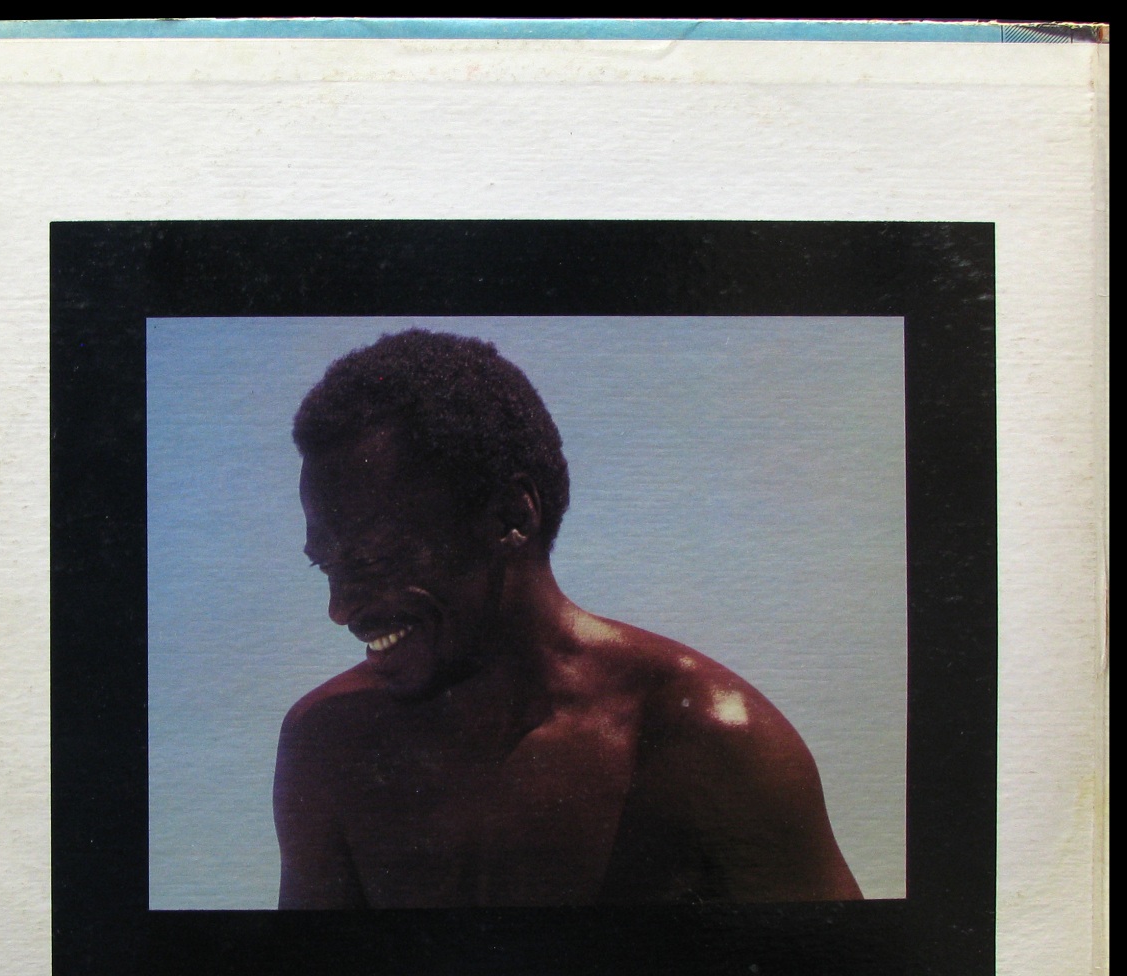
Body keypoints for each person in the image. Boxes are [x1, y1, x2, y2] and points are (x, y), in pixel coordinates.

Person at [274, 329, 862, 908]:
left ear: (511, 516)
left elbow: (842, 972)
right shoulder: (329, 745)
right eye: (325, 566)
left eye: (373, 559)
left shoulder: (709, 742)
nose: (340, 608)